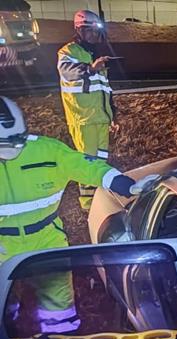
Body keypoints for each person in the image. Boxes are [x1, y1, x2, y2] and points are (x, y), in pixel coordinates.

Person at [0, 96, 141, 334]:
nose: (15, 148)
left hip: (47, 238)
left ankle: (61, 337)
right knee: (4, 298)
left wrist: (120, 182)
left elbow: (85, 165)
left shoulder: (47, 151)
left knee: (57, 298)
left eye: (18, 140)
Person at [58, 9, 116, 210]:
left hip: (100, 118)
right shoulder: (68, 52)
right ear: (79, 30)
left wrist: (112, 116)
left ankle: (98, 196)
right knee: (87, 161)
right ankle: (88, 204)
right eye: (90, 30)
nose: (93, 35)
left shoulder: (95, 56)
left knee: (100, 160)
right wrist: (91, 68)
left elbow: (104, 90)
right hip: (82, 118)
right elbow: (69, 72)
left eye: (95, 31)